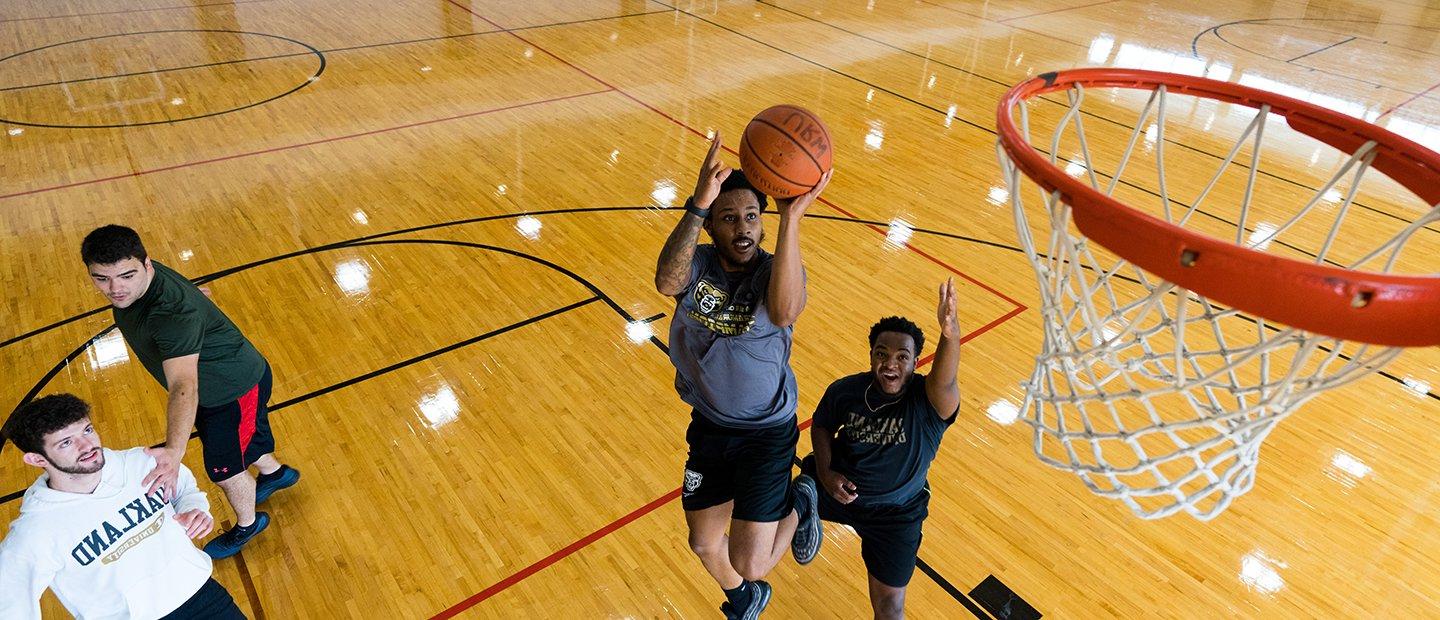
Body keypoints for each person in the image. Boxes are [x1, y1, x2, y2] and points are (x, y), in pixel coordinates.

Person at [655, 134, 833, 619]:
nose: (743, 229)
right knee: (703, 541)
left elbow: (783, 310)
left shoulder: (778, 271)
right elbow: (667, 281)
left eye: (752, 217)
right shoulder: (700, 266)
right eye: (729, 218)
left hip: (764, 433)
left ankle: (802, 497)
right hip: (711, 425)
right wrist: (696, 205)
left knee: (750, 560)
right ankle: (745, 599)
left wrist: (791, 218)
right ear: (711, 226)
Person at [80, 225, 299, 559]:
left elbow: (184, 385)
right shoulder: (146, 280)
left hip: (231, 391)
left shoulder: (170, 315)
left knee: (225, 471)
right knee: (245, 440)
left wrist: (173, 452)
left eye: (126, 276)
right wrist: (198, 299)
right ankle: (276, 474)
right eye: (102, 279)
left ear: (147, 263)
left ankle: (248, 523)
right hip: (227, 384)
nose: (115, 288)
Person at [0, 394, 246, 619]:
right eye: (66, 443)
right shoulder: (34, 532)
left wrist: (194, 507)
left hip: (204, 598)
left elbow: (182, 484)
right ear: (37, 459)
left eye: (87, 430)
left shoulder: (140, 462)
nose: (86, 446)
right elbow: (10, 604)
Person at [803, 279, 962, 620]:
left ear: (917, 362)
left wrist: (950, 333)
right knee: (778, 499)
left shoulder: (929, 401)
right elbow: (821, 425)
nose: (891, 363)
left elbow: (946, 379)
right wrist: (826, 473)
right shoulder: (846, 390)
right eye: (882, 354)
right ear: (871, 356)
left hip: (896, 515)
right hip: (835, 489)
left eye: (902, 357)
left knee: (890, 609)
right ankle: (794, 521)